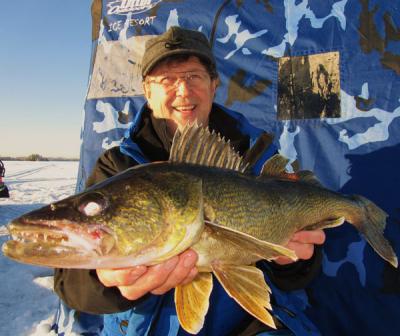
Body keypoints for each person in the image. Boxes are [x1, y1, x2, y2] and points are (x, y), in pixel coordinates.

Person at [54, 26, 325, 335]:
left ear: (213, 85)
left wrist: (292, 263)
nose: (182, 91)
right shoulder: (117, 166)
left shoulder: (257, 157)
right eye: (167, 80)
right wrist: (106, 281)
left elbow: (301, 273)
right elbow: (68, 284)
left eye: (193, 77)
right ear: (148, 92)